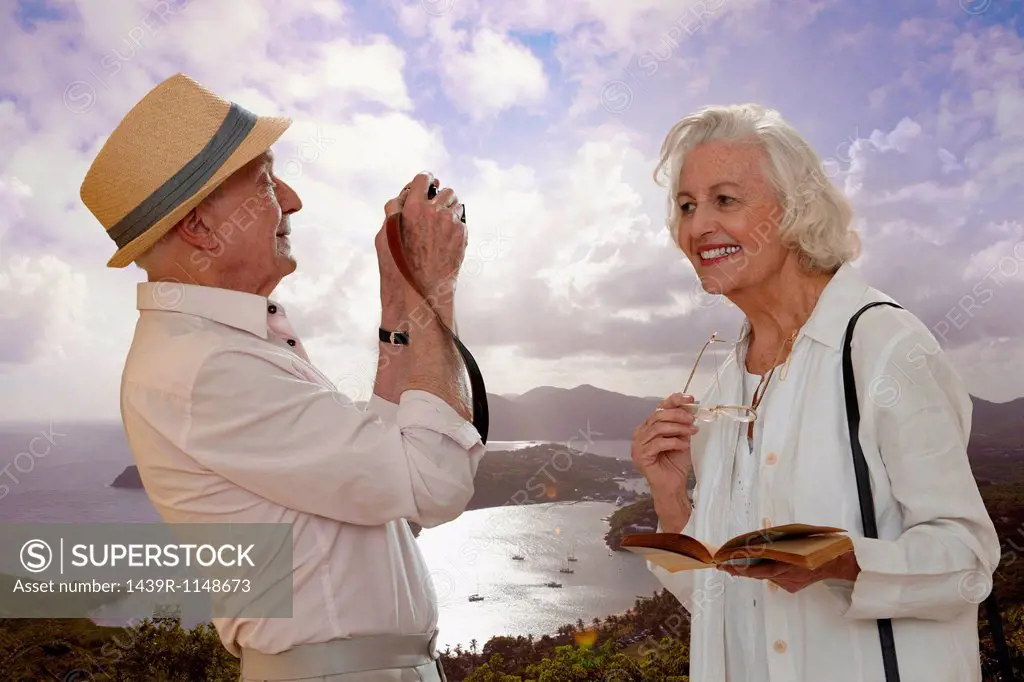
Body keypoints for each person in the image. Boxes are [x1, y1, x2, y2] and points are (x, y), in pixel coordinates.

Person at [80, 72, 484, 681]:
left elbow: (390, 497)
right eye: (266, 180)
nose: (292, 199)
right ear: (198, 227)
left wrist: (401, 300)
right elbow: (434, 482)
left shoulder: (219, 348)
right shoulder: (207, 368)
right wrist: (436, 285)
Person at [631, 103, 1001, 682]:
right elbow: (726, 609)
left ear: (795, 208)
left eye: (725, 199)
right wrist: (671, 503)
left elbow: (970, 562)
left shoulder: (886, 347)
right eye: (685, 206)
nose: (698, 225)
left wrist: (851, 563)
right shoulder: (726, 384)